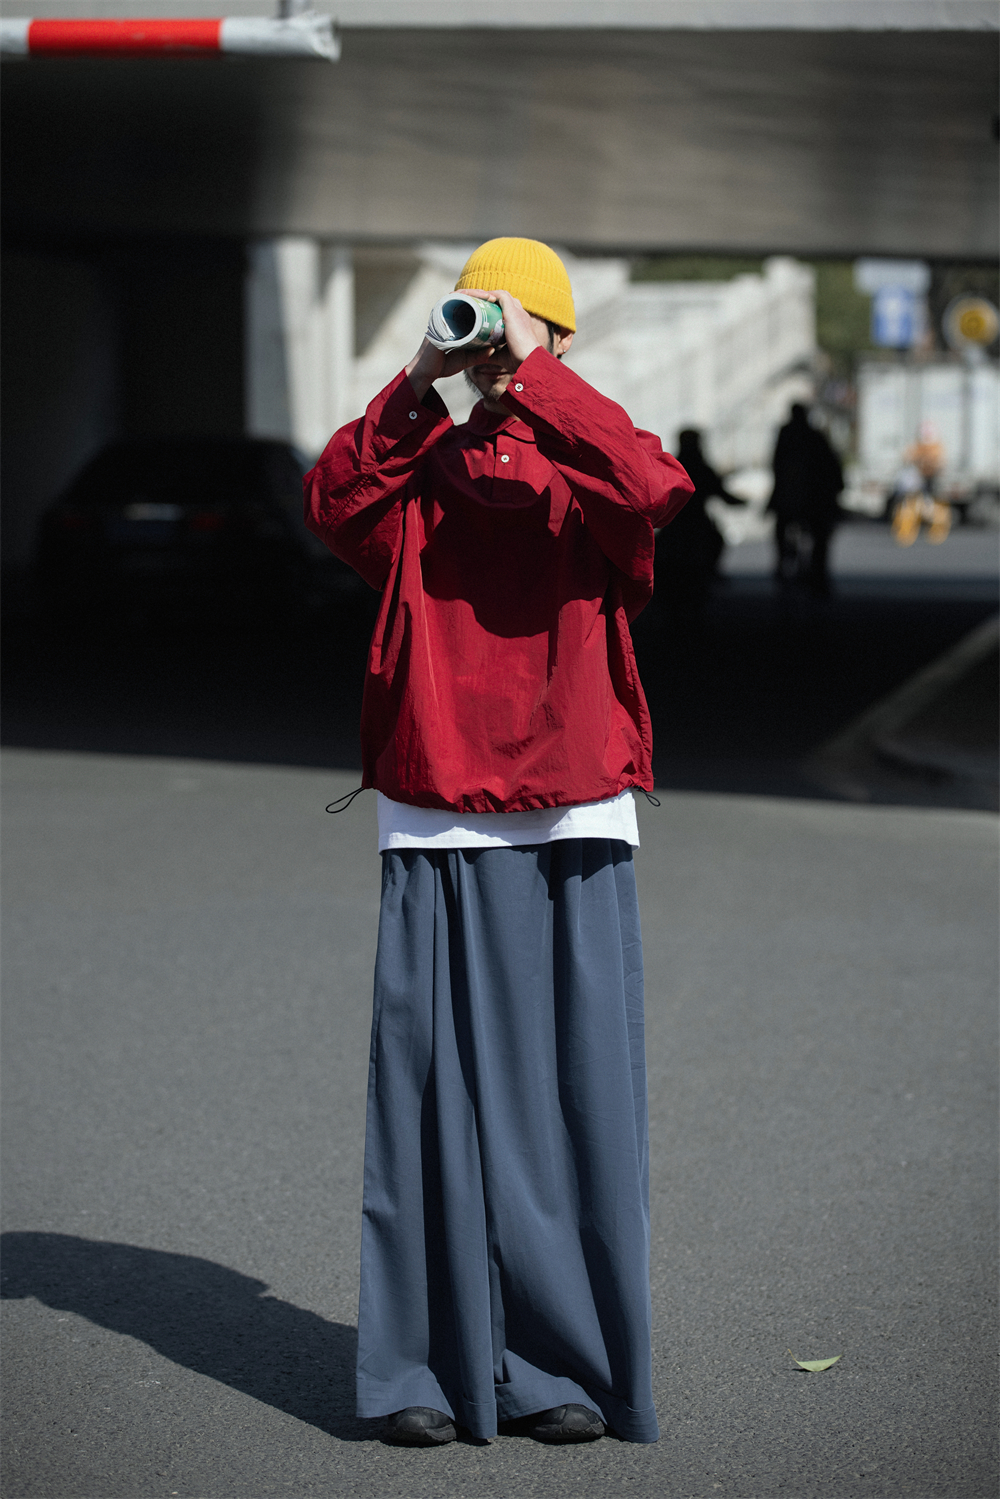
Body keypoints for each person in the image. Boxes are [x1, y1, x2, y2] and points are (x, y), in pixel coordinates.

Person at [304, 238, 693, 1449]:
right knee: (429, 1100)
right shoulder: (418, 463)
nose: (492, 338)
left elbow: (653, 491)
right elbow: (332, 504)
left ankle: (560, 1364)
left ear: (558, 336)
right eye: (478, 316)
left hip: (571, 799)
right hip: (438, 801)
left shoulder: (591, 455)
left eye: (514, 320)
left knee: (574, 1101)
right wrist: (420, 378)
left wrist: (536, 376)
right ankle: (424, 1365)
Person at [654, 428, 746, 616]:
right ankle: (711, 573)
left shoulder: (672, 467)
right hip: (696, 524)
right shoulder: (702, 468)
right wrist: (743, 502)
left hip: (675, 524)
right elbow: (722, 494)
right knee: (715, 541)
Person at [767, 402, 844, 596]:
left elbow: (777, 467)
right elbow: (831, 465)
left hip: (796, 498)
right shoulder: (813, 436)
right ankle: (816, 576)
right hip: (809, 499)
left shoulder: (787, 436)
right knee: (818, 536)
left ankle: (787, 567)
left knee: (786, 531)